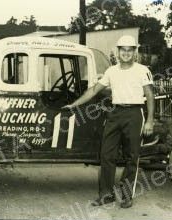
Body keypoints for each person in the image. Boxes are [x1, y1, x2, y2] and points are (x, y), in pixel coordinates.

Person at [63, 35, 155, 208]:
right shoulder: (111, 71)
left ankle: (127, 195)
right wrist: (74, 105)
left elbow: (150, 95)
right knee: (106, 155)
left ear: (134, 52)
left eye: (130, 50)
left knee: (131, 156)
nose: (126, 54)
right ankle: (106, 195)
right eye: (123, 50)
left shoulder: (142, 70)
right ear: (118, 52)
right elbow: (94, 90)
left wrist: (149, 121)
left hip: (135, 113)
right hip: (115, 112)